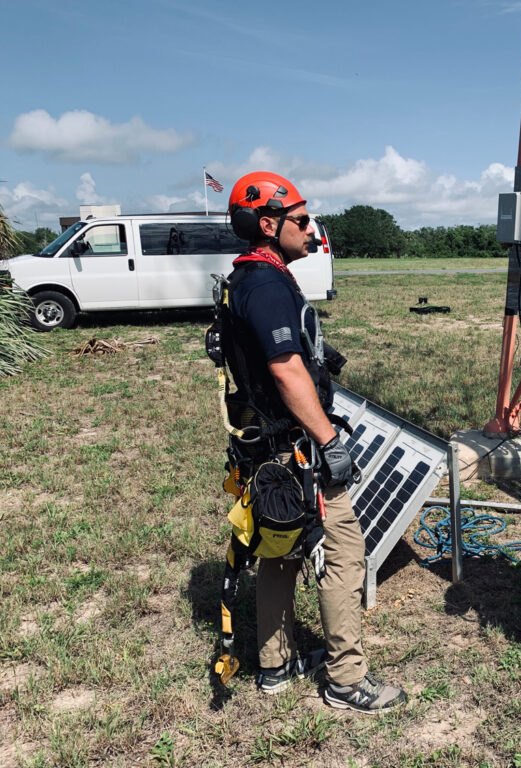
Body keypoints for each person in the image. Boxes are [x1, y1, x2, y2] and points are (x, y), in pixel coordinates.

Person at [221, 171, 407, 713]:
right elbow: (285, 369)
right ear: (267, 223)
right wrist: (329, 440)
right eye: (302, 220)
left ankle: (275, 666)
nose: (312, 230)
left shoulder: (247, 278)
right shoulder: (267, 285)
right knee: (344, 554)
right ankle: (346, 678)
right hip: (297, 448)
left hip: (266, 448)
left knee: (277, 550)